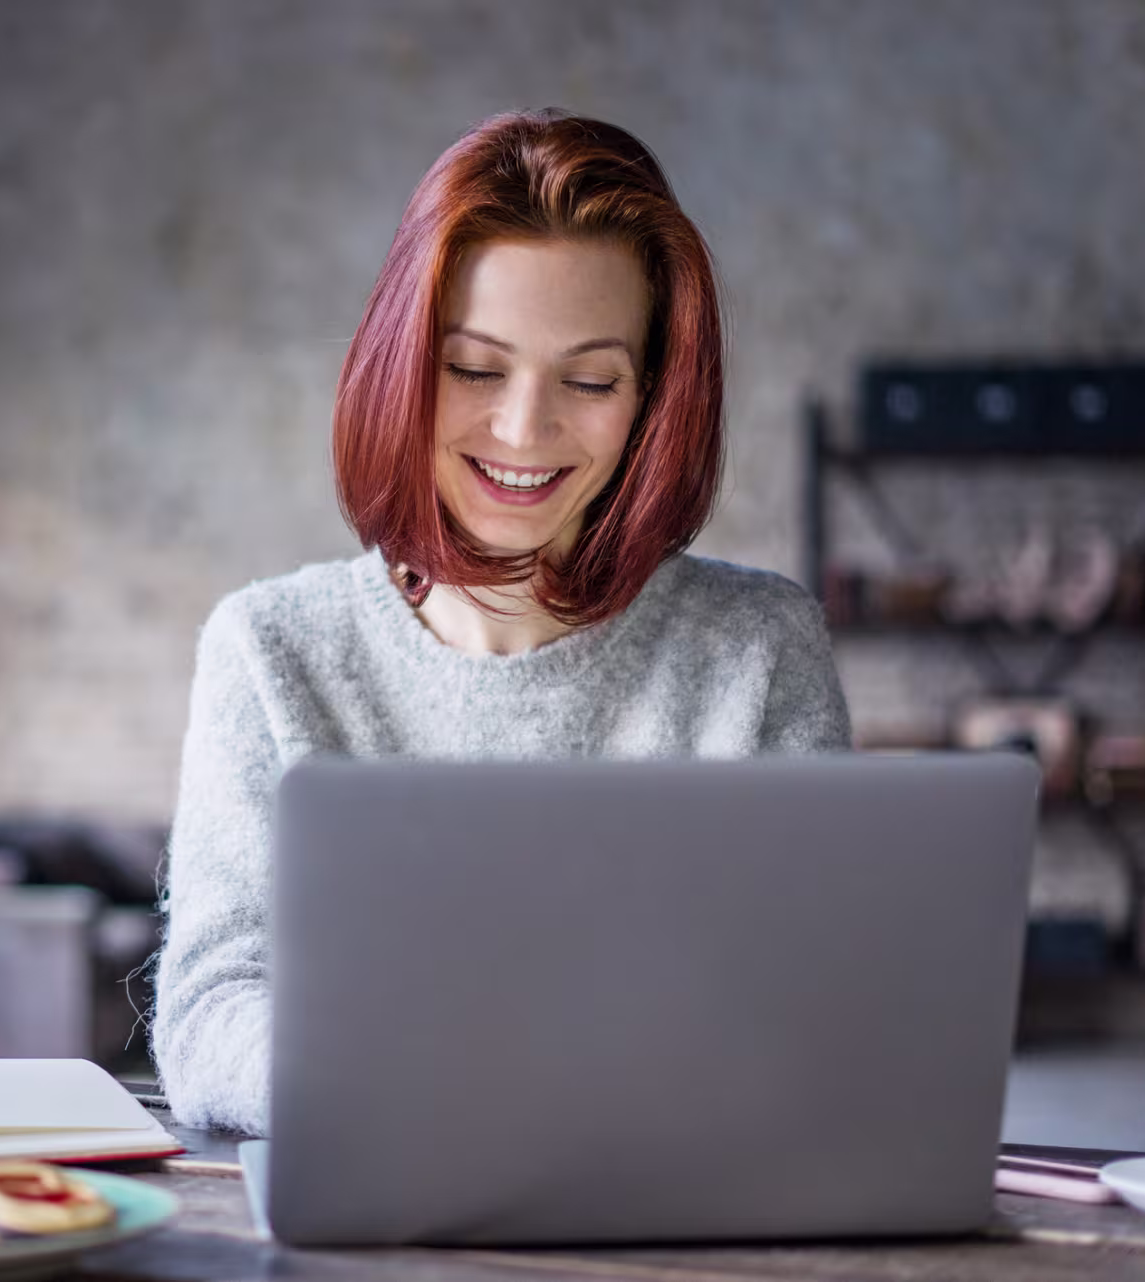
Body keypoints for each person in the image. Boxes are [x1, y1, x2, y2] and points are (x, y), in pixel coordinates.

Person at [151, 109, 851, 1136]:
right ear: (402, 363)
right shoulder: (272, 651)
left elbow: (822, 1012)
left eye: (591, 380)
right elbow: (214, 1009)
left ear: (654, 398)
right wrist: (411, 1094)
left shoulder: (756, 653)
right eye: (475, 368)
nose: (525, 429)